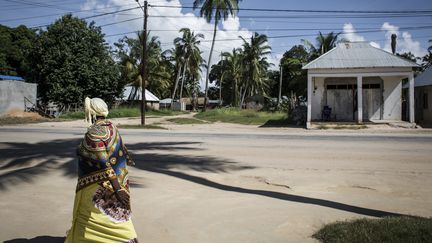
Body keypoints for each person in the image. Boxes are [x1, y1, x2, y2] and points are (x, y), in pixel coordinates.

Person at [65, 97, 138, 243]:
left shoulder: (94, 133)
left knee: (94, 215)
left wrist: (117, 189)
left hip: (98, 185)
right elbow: (122, 153)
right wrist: (120, 185)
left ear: (91, 112)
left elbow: (104, 162)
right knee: (111, 218)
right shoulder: (111, 127)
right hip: (117, 180)